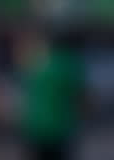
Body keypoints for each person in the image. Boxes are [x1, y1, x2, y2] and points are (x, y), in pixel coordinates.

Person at [20, 29, 86, 160]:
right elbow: (81, 96)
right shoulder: (70, 64)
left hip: (35, 126)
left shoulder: (37, 62)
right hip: (59, 128)